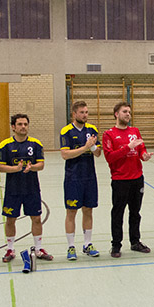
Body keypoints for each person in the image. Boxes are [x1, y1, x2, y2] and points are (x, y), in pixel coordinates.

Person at [0, 114, 52, 262]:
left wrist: (31, 167)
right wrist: (16, 169)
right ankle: (10, 249)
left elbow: (41, 165)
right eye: (20, 124)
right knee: (10, 219)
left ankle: (38, 248)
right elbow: (1, 167)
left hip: (31, 188)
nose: (23, 127)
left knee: (36, 218)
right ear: (13, 127)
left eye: (25, 124)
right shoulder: (5, 145)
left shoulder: (36, 144)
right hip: (13, 189)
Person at [102, 102, 154, 257]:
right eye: (124, 112)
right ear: (116, 114)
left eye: (129, 112)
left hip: (137, 178)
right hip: (120, 180)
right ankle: (116, 245)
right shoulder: (109, 134)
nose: (128, 115)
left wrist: (144, 156)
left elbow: (141, 149)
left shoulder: (135, 131)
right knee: (118, 212)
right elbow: (110, 157)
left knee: (135, 212)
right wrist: (128, 147)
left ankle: (135, 241)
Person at [60, 101, 102, 260]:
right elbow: (65, 154)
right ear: (74, 114)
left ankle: (87, 244)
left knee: (88, 210)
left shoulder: (92, 130)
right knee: (71, 211)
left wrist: (92, 147)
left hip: (89, 176)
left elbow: (98, 153)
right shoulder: (66, 131)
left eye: (86, 112)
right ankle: (71, 246)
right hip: (73, 177)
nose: (85, 115)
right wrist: (85, 147)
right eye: (82, 112)